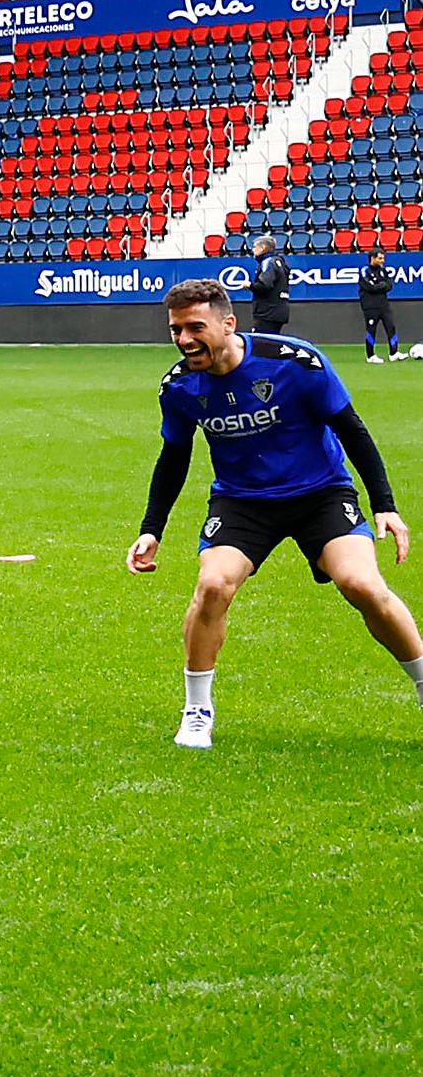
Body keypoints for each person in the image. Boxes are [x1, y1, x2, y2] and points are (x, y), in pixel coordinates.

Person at [136, 278, 423, 748]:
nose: (185, 340)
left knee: (363, 584)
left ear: (228, 324)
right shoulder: (180, 387)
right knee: (212, 585)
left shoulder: (295, 362)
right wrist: (152, 530)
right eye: (175, 330)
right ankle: (196, 711)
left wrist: (385, 506)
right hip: (242, 501)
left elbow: (352, 429)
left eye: (195, 327)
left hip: (321, 493)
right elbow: (173, 458)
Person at [250, 238, 292, 337]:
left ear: (263, 248)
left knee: (259, 343)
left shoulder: (268, 262)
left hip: (267, 312)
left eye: (255, 247)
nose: (253, 250)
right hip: (280, 311)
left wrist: (250, 286)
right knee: (271, 343)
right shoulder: (280, 262)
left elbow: (264, 285)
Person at [362, 253, 397, 362]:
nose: (382, 261)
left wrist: (381, 285)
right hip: (370, 306)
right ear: (373, 258)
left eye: (383, 258)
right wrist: (381, 285)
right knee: (371, 330)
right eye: (380, 258)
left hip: (384, 305)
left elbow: (390, 284)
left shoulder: (383, 270)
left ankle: (394, 353)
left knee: (391, 327)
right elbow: (370, 287)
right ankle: (370, 356)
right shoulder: (365, 271)